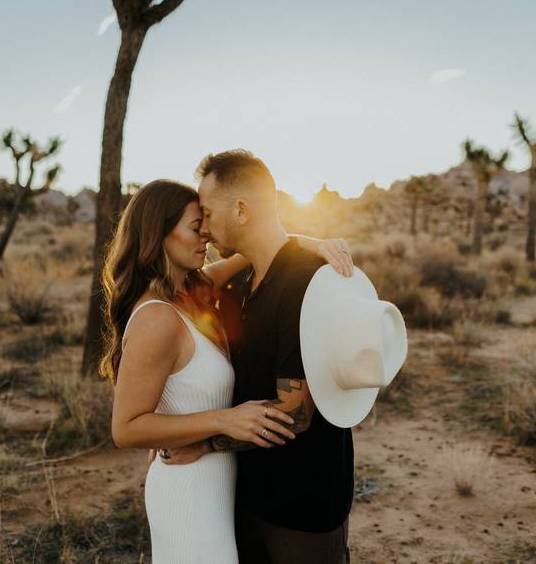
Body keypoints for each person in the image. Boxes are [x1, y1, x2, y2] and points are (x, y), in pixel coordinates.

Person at [100, 178, 353, 564]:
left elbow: (264, 248)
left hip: (222, 487)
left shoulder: (195, 288)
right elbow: (125, 428)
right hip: (188, 489)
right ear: (158, 234)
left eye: (206, 222)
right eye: (194, 226)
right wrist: (223, 420)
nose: (206, 235)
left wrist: (316, 243)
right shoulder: (155, 318)